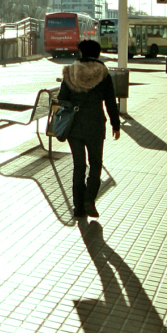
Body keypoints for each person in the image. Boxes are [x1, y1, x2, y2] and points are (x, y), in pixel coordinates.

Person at [58, 39, 120, 221]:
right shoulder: (104, 75)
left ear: (81, 53)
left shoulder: (70, 73)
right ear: (98, 54)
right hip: (95, 125)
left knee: (79, 166)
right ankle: (89, 201)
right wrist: (115, 125)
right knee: (95, 164)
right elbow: (110, 102)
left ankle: (78, 207)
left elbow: (62, 98)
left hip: (74, 127)